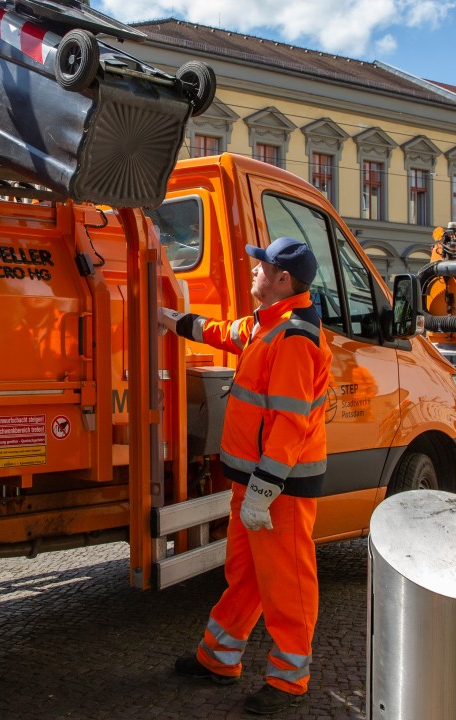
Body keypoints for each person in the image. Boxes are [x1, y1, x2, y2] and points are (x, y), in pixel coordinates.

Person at [159, 236, 333, 715]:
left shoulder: (295, 337)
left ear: (282, 279)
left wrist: (264, 488)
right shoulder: (266, 326)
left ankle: (288, 681)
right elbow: (221, 332)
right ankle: (218, 658)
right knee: (247, 575)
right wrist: (175, 321)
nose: (253, 270)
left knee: (287, 583)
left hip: (278, 487)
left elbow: (290, 423)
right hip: (255, 482)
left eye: (261, 266)